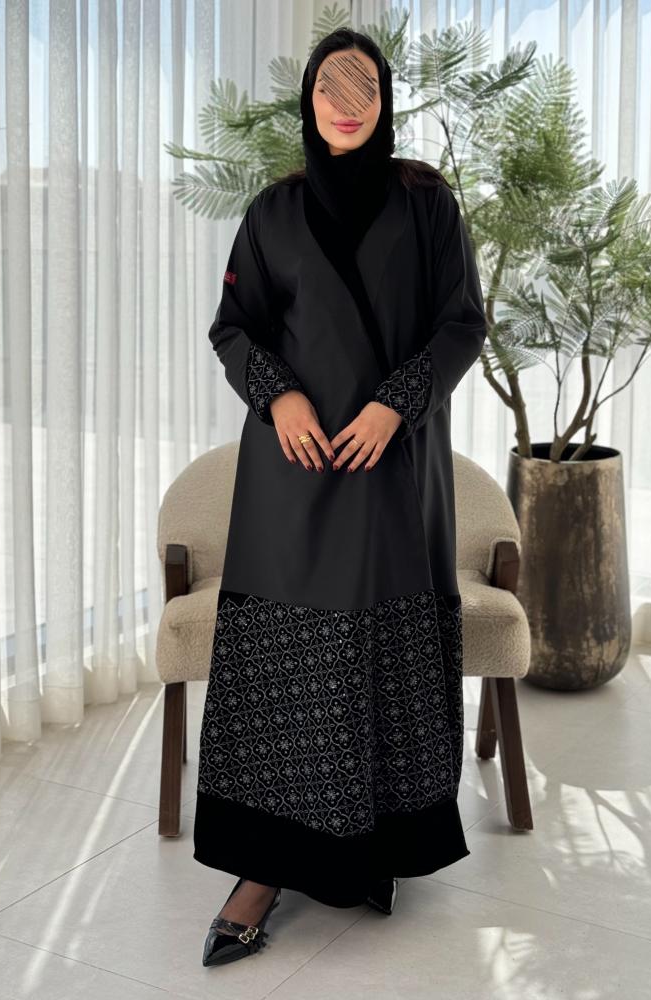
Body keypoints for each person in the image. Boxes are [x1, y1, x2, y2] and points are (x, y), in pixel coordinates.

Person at [194, 27, 487, 967]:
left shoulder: (426, 203)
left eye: (364, 86)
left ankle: (373, 847)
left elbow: (461, 324)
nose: (347, 103)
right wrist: (277, 395)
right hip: (293, 474)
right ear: (309, 101)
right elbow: (233, 327)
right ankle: (260, 873)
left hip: (391, 468)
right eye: (330, 86)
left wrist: (395, 405)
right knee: (287, 670)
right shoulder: (272, 212)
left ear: (385, 98)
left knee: (380, 655)